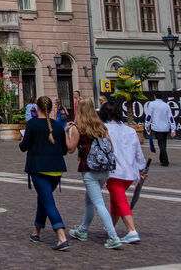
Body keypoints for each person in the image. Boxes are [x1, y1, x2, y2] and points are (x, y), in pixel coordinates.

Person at [65, 100, 123, 249]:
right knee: (90, 200)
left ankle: (113, 236)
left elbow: (70, 149)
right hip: (104, 169)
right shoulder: (101, 127)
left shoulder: (79, 128)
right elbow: (111, 148)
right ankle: (82, 230)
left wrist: (65, 132)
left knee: (98, 203)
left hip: (89, 169)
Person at [19, 95, 70, 251]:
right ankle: (36, 231)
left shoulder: (33, 124)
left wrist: (22, 141)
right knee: (44, 198)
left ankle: (61, 236)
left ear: (37, 108)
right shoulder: (58, 126)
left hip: (39, 168)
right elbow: (64, 150)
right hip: (57, 169)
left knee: (48, 202)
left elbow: (24, 146)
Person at [102, 101, 147, 244]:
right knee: (116, 200)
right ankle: (111, 228)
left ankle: (131, 230)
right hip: (129, 171)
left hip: (113, 171)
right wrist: (141, 168)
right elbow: (138, 153)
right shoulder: (130, 130)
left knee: (120, 200)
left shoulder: (104, 129)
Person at [144, 93, 176, 166]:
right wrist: (173, 129)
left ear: (155, 96)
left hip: (157, 127)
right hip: (165, 127)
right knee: (163, 143)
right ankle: (162, 159)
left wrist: (147, 126)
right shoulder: (166, 105)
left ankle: (165, 161)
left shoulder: (152, 104)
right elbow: (170, 117)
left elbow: (149, 116)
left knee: (161, 144)